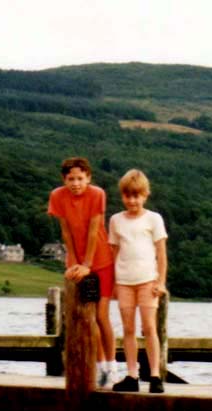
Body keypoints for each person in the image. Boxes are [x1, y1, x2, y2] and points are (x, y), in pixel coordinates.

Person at [48, 157, 118, 388]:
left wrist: (87, 264)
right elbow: (66, 231)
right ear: (64, 179)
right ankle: (99, 369)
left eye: (80, 178)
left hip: (102, 261)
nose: (76, 183)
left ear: (88, 177)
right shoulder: (57, 196)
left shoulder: (97, 194)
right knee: (86, 318)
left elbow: (94, 229)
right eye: (71, 179)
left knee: (100, 316)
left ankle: (112, 367)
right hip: (78, 263)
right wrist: (74, 263)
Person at [108, 169, 168, 393]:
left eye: (137, 195)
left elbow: (161, 254)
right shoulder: (115, 220)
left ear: (145, 195)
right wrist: (113, 283)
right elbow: (113, 252)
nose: (132, 200)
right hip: (124, 281)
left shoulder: (154, 219)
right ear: (122, 196)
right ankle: (132, 375)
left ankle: (154, 375)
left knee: (149, 328)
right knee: (128, 328)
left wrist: (160, 281)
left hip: (147, 281)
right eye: (128, 195)